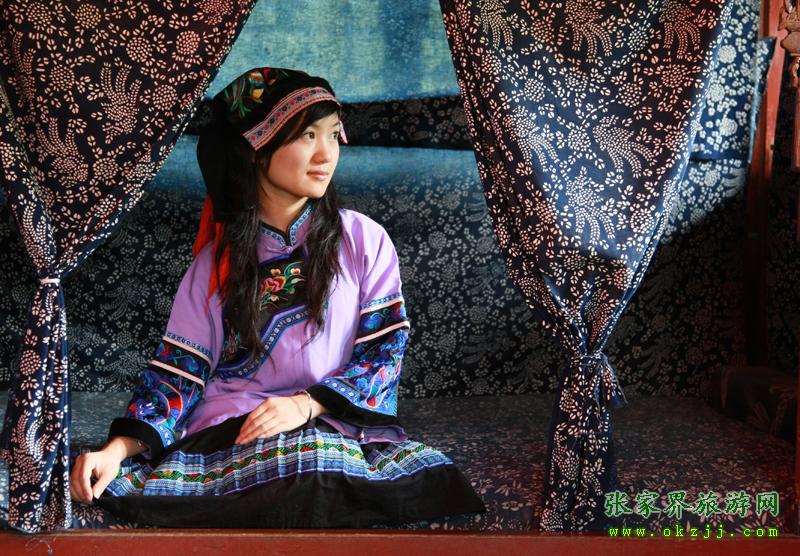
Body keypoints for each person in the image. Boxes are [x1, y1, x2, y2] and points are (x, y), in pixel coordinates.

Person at [69, 67, 484, 528]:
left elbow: (383, 354)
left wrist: (304, 405)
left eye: (333, 134)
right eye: (308, 135)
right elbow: (178, 374)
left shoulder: (364, 241)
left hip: (331, 421)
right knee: (297, 472)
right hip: (236, 430)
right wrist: (116, 450)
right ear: (257, 148)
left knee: (340, 469)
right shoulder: (214, 265)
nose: (326, 153)